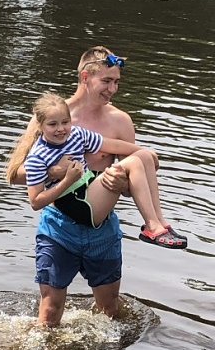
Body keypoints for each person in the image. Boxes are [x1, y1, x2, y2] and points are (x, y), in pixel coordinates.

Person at [6, 46, 187, 327]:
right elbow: (14, 175)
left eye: (116, 82)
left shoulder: (120, 121)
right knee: (50, 311)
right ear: (85, 77)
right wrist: (56, 171)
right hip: (60, 223)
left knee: (110, 310)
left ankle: (156, 226)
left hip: (101, 224)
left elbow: (133, 184)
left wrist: (123, 181)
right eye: (107, 81)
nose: (113, 89)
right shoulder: (52, 117)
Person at [24, 91, 187, 246]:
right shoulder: (37, 156)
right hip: (74, 204)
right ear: (40, 125)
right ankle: (151, 226)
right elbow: (35, 202)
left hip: (88, 187)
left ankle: (160, 222)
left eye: (65, 122)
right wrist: (67, 180)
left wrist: (148, 153)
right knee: (134, 162)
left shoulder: (76, 134)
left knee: (142, 156)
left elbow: (112, 145)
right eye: (52, 124)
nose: (60, 129)